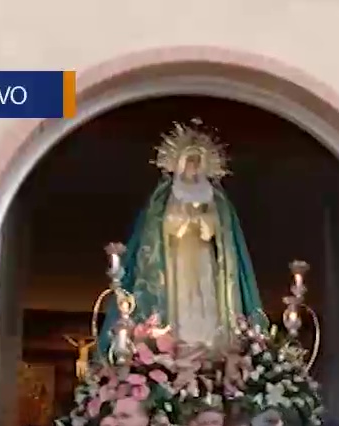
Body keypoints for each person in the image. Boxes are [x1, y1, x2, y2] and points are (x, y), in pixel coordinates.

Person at [101, 122, 266, 346]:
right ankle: (175, 340)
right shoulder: (167, 194)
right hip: (176, 254)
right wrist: (182, 223)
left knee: (205, 292)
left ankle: (210, 341)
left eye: (198, 163)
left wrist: (204, 223)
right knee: (182, 295)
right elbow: (161, 224)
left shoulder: (215, 198)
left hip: (204, 253)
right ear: (180, 164)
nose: (193, 167)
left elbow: (222, 229)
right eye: (189, 162)